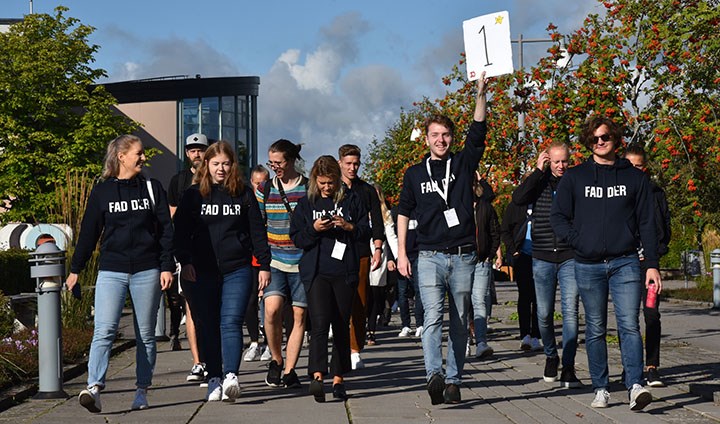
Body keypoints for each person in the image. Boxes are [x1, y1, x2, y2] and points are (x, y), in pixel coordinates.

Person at [550, 116, 660, 411]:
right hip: (587, 264)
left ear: (616, 138)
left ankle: (636, 385)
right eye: (595, 138)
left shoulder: (635, 179)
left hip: (625, 261)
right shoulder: (575, 177)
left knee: (629, 325)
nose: (601, 141)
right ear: (589, 142)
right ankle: (601, 387)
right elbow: (558, 217)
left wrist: (651, 263)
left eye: (606, 136)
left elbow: (648, 222)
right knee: (596, 328)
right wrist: (578, 240)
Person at [396, 73, 488, 405]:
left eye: (446, 134)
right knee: (432, 316)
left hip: (463, 254)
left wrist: (481, 94)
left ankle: (453, 379)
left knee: (461, 320)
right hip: (429, 255)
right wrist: (403, 252)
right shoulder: (414, 173)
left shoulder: (462, 164)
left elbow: (478, 134)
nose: (441, 140)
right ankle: (433, 374)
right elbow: (403, 212)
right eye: (435, 135)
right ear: (427, 140)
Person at [67, 135, 175, 412]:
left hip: (147, 269)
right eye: (138, 153)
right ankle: (94, 387)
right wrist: (75, 269)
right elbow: (89, 233)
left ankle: (142, 389)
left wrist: (165, 266)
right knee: (104, 330)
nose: (142, 158)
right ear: (121, 156)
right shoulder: (102, 191)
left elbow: (165, 231)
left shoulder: (152, 188)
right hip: (112, 270)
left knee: (145, 335)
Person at [173, 141, 271, 402]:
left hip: (236, 268)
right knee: (208, 325)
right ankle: (214, 377)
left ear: (232, 166)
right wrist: (185, 261)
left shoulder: (243, 194)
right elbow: (180, 233)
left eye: (226, 164)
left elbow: (257, 232)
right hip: (201, 270)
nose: (221, 169)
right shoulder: (194, 195)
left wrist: (263, 265)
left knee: (230, 322)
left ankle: (231, 376)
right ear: (206, 164)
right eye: (216, 164)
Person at [289, 155, 370, 402]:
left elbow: (366, 231)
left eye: (331, 183)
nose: (327, 187)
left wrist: (349, 227)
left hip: (344, 272)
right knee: (320, 324)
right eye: (322, 183)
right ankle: (316, 376)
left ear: (338, 180)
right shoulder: (307, 203)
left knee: (341, 324)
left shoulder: (351, 200)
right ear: (315, 181)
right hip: (317, 272)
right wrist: (314, 229)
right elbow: (297, 238)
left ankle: (338, 378)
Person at [511, 141, 582, 388]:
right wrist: (538, 172)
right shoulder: (538, 182)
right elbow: (517, 198)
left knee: (571, 313)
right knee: (543, 314)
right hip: (541, 255)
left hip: (569, 255)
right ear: (547, 161)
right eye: (556, 161)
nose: (561, 166)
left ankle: (569, 366)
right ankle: (551, 355)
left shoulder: (574, 181)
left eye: (565, 161)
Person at [256, 139, 309, 388]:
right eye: (271, 162)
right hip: (274, 260)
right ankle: (276, 359)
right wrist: (260, 265)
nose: (274, 166)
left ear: (290, 161)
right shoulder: (265, 189)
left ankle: (289, 370)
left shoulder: (308, 189)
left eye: (278, 162)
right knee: (272, 310)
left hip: (302, 261)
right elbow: (257, 226)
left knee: (299, 315)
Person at [624, 144, 671, 388]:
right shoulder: (619, 194)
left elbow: (664, 225)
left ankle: (652, 366)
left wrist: (656, 252)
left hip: (649, 265)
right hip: (626, 263)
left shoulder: (655, 193)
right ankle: (630, 367)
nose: (635, 171)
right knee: (628, 317)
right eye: (630, 166)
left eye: (639, 166)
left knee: (651, 315)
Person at [337, 145, 385, 370]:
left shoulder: (366, 190)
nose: (352, 167)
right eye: (348, 163)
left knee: (360, 301)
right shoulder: (332, 187)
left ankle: (355, 349)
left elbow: (377, 221)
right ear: (340, 163)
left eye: (356, 163)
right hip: (335, 251)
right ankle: (339, 347)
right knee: (337, 302)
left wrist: (378, 249)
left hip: (361, 251)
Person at [167, 133, 208, 381]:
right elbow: (172, 217)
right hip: (187, 252)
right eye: (192, 149)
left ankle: (215, 357)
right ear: (186, 153)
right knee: (191, 306)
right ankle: (197, 361)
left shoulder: (217, 179)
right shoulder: (178, 180)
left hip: (213, 252)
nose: (196, 153)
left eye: (200, 149)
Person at [501, 198, 542, 351]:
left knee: (540, 297)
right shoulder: (515, 206)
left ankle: (537, 335)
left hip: (541, 255)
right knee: (525, 296)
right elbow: (505, 229)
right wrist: (513, 250)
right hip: (522, 255)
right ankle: (525, 334)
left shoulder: (543, 203)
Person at [470, 173, 501, 359]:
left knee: (479, 300)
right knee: (462, 302)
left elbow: (495, 232)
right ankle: (464, 340)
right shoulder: (457, 207)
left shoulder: (485, 207)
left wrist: (489, 255)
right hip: (461, 261)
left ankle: (481, 342)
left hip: (482, 261)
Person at [243, 165, 270, 362]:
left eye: (264, 182)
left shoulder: (272, 199)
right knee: (250, 300)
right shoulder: (246, 201)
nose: (261, 186)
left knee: (270, 303)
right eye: (257, 182)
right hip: (249, 258)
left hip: (268, 257)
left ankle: (270, 343)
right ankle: (254, 342)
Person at [366, 184, 399, 345]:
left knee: (375, 295)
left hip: (380, 257)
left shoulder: (386, 214)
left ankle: (371, 331)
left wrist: (399, 257)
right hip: (362, 256)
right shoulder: (360, 210)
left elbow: (392, 236)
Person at [395, 208, 424, 338]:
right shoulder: (398, 212)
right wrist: (392, 258)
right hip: (401, 255)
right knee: (402, 293)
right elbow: (391, 236)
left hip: (418, 255)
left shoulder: (420, 210)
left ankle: (420, 324)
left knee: (419, 290)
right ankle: (405, 325)